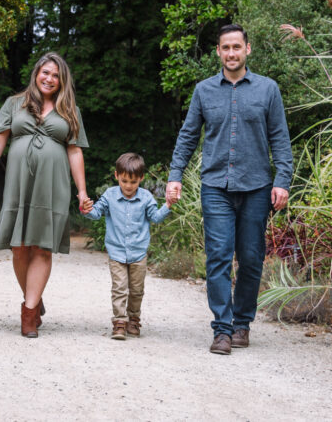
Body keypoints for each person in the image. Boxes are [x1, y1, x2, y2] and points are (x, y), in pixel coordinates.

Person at [165, 23, 292, 355]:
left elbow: (280, 139)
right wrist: (175, 174)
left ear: (247, 49)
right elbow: (188, 135)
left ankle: (242, 324)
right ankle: (221, 329)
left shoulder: (268, 90)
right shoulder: (204, 91)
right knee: (218, 257)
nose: (232, 53)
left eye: (237, 47)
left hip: (256, 188)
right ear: (218, 52)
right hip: (216, 186)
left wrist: (282, 181)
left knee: (250, 259)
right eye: (226, 48)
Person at [0, 52, 90, 338]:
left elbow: (75, 151)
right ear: (36, 73)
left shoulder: (69, 109)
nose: (49, 79)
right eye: (45, 72)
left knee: (42, 246)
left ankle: (28, 312)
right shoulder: (15, 103)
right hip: (19, 182)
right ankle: (35, 301)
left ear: (63, 81)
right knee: (20, 245)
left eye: (56, 75)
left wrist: (82, 191)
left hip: (53, 183)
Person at [82, 152, 171, 340]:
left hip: (139, 252)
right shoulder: (110, 195)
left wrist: (168, 205)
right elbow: (96, 213)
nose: (128, 186)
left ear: (141, 178)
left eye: (133, 182)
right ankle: (119, 322)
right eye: (124, 181)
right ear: (116, 176)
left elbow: (155, 217)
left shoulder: (146, 197)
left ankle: (133, 319)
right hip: (116, 252)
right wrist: (86, 210)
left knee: (137, 290)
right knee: (119, 288)